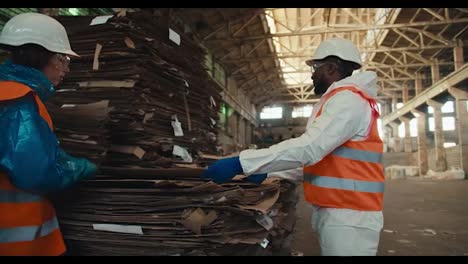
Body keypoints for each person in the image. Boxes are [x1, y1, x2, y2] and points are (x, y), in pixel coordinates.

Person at [203, 38, 384, 256]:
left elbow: (309, 148)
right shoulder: (341, 100)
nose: (311, 74)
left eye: (315, 67)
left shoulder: (348, 100)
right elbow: (316, 160)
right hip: (340, 210)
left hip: (350, 214)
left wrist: (243, 162)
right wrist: (267, 170)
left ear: (331, 67)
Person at [0, 13, 97, 256]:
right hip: (18, 242)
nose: (66, 67)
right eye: (63, 58)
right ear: (43, 56)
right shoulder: (19, 103)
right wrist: (77, 167)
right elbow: (36, 172)